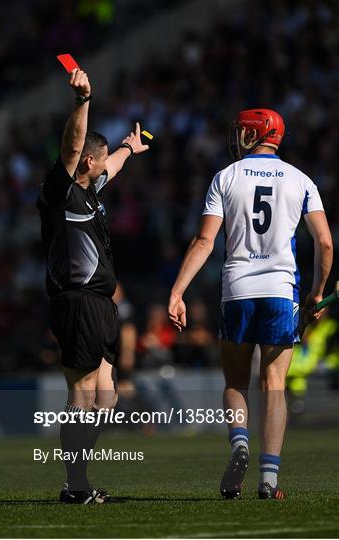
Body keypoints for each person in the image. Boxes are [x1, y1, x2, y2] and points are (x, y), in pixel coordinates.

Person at [168, 108, 333, 499]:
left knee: (236, 382)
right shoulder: (301, 180)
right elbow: (325, 243)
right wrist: (316, 292)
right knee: (274, 384)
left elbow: (205, 242)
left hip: (237, 291)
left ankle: (239, 442)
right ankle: (269, 479)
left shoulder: (226, 177)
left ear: (253, 134)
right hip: (281, 291)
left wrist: (177, 291)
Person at [37, 68, 149, 503]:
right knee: (82, 396)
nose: (105, 169)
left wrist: (126, 149)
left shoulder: (90, 188)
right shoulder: (61, 191)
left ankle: (77, 478)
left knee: (106, 401)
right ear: (87, 162)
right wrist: (82, 101)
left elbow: (112, 168)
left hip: (100, 305)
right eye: (99, 160)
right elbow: (71, 146)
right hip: (77, 301)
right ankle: (74, 485)